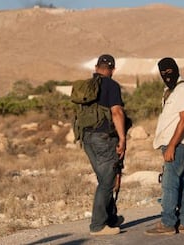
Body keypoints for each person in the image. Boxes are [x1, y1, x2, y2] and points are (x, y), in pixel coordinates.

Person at [145, 57, 184, 236]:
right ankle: (183, 222)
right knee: (180, 182)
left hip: (178, 144)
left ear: (176, 69)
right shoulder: (170, 91)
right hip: (173, 143)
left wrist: (172, 146)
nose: (166, 75)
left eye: (169, 72)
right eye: (162, 73)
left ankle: (167, 223)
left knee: (169, 184)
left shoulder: (183, 89)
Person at [83, 54, 126, 236]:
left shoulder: (86, 86)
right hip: (103, 138)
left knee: (104, 178)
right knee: (108, 180)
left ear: (96, 67)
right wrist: (122, 138)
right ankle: (98, 225)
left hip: (87, 138)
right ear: (112, 70)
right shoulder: (111, 85)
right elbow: (116, 112)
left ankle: (111, 218)